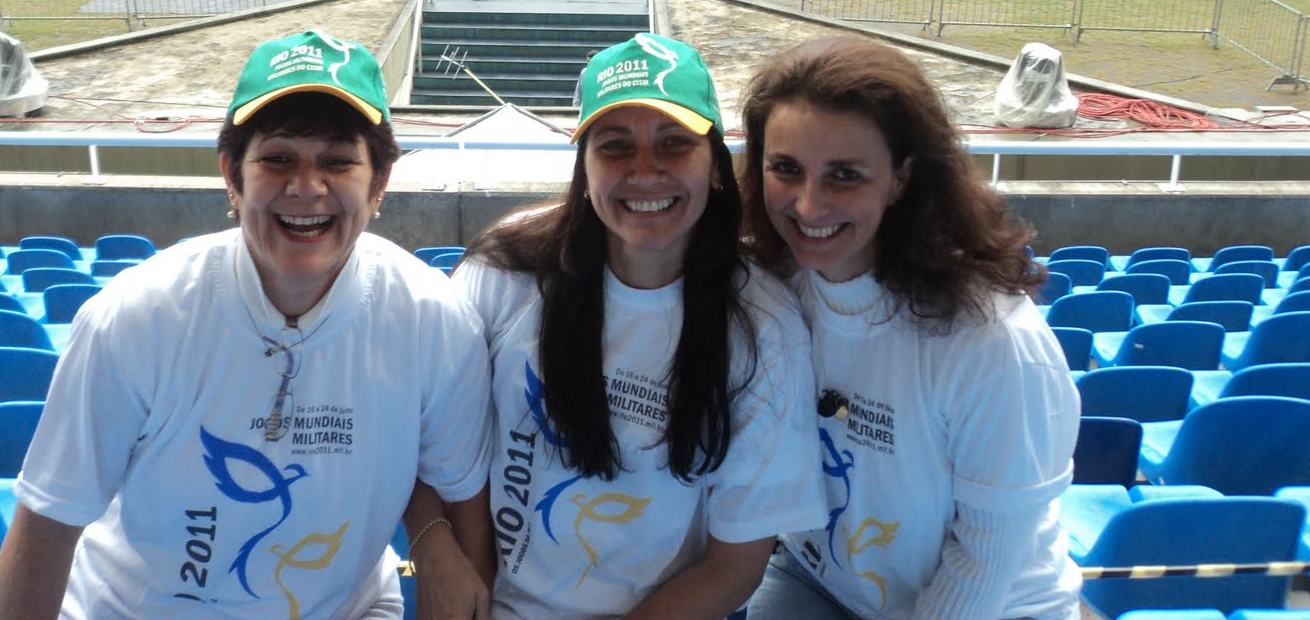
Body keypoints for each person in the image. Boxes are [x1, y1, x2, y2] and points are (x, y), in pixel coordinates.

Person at [0, 29, 496, 620]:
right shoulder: (137, 317)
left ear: (379, 182)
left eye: (338, 161)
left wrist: (435, 545)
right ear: (232, 176)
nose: (306, 187)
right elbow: (49, 520)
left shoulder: (434, 321)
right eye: (277, 159)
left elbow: (462, 492)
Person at [452, 34, 826, 619]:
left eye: (674, 144)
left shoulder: (764, 328)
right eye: (616, 146)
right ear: (585, 167)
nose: (645, 171)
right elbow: (447, 452)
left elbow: (735, 565)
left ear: (716, 166)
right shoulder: (507, 272)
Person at [738, 35, 1081, 620]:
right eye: (786, 169)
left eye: (845, 175)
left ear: (902, 177)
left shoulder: (991, 343)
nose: (809, 205)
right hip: (819, 579)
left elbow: (985, 557)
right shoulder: (771, 286)